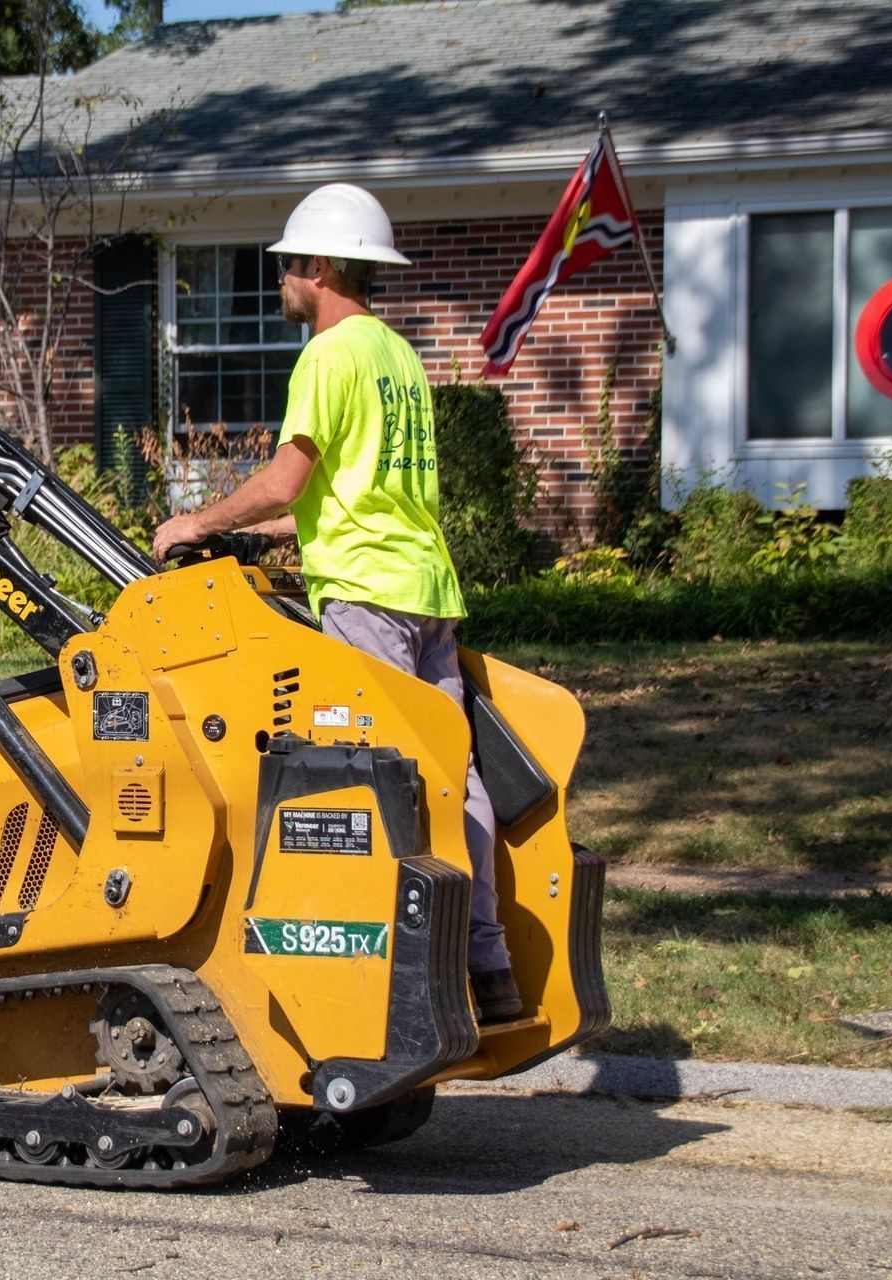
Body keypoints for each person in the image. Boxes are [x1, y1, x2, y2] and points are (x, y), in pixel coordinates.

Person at [150, 183, 522, 1025]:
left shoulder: (327, 355)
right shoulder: (398, 356)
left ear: (318, 267)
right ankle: (487, 964)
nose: (280, 277)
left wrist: (196, 520)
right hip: (425, 590)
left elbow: (288, 476)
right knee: (448, 774)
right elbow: (345, 495)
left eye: (286, 264)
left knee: (366, 785)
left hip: (364, 599)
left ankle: (384, 981)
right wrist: (264, 536)